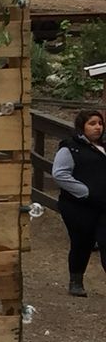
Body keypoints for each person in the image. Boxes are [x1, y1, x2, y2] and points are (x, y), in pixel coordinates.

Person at [51, 107, 106, 295]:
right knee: (82, 242)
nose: (97, 128)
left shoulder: (103, 148)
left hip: (102, 205)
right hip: (77, 206)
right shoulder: (70, 147)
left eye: (100, 124)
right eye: (92, 124)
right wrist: (85, 192)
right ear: (82, 126)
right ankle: (76, 281)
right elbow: (60, 174)